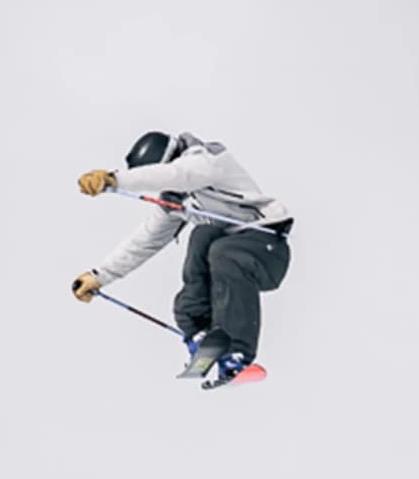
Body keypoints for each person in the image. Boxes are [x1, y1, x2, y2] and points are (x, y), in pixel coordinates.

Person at [71, 131, 293, 382]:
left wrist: (114, 180)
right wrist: (98, 276)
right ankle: (201, 334)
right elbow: (145, 240)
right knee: (203, 236)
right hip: (233, 254)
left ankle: (238, 353)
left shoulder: (207, 161)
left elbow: (179, 175)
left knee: (222, 250)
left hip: (266, 248)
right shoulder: (175, 200)